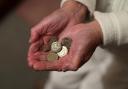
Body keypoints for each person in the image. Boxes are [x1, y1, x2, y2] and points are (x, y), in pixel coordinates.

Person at [28, 0, 128, 89]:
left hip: (125, 58)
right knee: (60, 80)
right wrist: (75, 7)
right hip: (88, 28)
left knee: (99, 85)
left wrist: (101, 30)